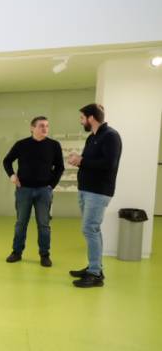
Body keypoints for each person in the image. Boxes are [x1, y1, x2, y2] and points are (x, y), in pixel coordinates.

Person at [67, 103, 122, 288]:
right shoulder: (92, 137)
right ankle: (94, 267)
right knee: (92, 230)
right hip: (86, 190)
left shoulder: (111, 136)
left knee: (90, 229)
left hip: (98, 191)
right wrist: (78, 160)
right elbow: (89, 161)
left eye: (82, 118)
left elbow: (109, 164)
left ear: (91, 118)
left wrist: (82, 161)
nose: (81, 121)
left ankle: (95, 274)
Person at [2, 116, 65, 267]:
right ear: (32, 128)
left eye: (47, 126)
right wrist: (12, 175)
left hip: (44, 191)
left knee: (44, 225)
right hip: (24, 190)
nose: (45, 128)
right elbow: (7, 161)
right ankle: (16, 252)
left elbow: (60, 167)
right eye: (41, 125)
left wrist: (51, 185)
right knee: (21, 223)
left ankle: (45, 255)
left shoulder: (54, 145)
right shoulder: (21, 144)